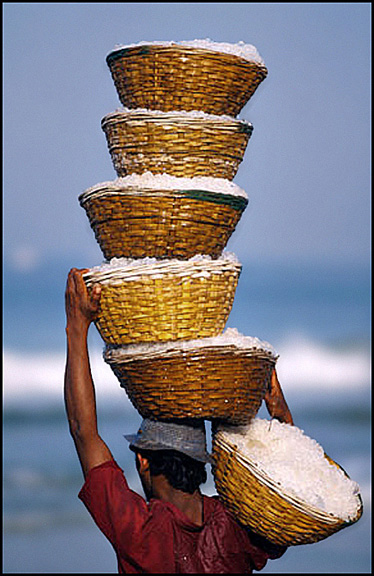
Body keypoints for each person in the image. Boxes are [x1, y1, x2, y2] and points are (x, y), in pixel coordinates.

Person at [64, 267, 293, 574]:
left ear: (143, 462)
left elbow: (83, 432)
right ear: (200, 463)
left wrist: (76, 325)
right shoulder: (238, 528)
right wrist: (281, 415)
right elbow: (287, 496)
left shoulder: (139, 530)